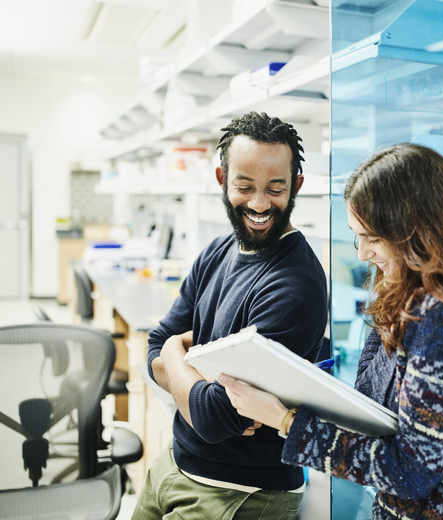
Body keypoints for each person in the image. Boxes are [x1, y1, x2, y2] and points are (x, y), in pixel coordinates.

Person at [220, 142, 443, 520]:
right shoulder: (414, 296)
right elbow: (375, 408)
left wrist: (286, 421)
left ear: (420, 232)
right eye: (357, 235)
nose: (363, 253)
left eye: (373, 238)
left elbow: (412, 471)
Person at [132, 112, 329, 520]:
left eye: (276, 188)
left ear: (297, 186)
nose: (259, 204)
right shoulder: (217, 252)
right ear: (222, 180)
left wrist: (174, 353)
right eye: (245, 186)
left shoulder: (295, 284)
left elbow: (212, 416)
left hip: (242, 493)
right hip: (173, 463)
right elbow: (154, 346)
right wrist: (177, 359)